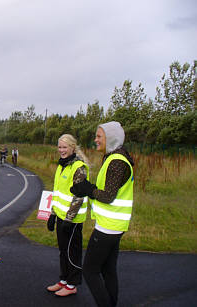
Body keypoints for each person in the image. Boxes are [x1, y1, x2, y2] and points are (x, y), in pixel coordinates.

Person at [71, 121, 134, 307]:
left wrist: (88, 189)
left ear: (111, 138)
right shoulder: (115, 157)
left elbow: (107, 196)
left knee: (90, 271)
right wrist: (88, 189)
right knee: (108, 270)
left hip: (108, 227)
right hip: (114, 226)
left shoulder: (116, 161)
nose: (95, 140)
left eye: (99, 136)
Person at [46, 134, 90, 297]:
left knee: (72, 252)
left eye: (65, 147)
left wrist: (69, 219)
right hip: (60, 217)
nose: (62, 150)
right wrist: (52, 214)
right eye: (59, 147)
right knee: (63, 251)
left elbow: (78, 196)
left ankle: (72, 284)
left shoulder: (78, 167)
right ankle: (64, 280)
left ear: (72, 147)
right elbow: (57, 193)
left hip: (72, 220)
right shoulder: (61, 166)